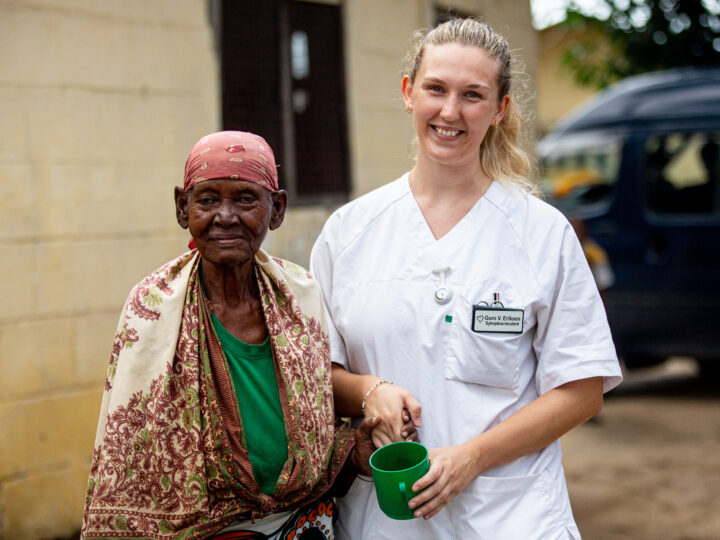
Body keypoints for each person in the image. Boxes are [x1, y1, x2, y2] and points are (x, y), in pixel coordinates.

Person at [310, 18, 623, 539]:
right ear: (410, 93)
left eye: (473, 95)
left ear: (499, 110)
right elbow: (319, 372)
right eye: (436, 89)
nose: (450, 112)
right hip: (384, 523)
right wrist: (370, 390)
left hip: (511, 517)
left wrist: (473, 457)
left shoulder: (541, 234)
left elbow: (583, 389)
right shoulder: (349, 232)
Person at [80, 131, 391, 539]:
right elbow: (132, 466)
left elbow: (311, 448)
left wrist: (353, 458)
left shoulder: (301, 298)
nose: (225, 216)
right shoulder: (152, 307)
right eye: (207, 199)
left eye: (245, 199)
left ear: (276, 209)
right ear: (182, 208)